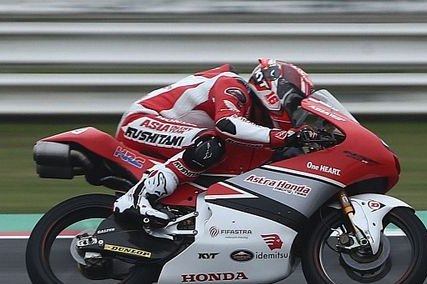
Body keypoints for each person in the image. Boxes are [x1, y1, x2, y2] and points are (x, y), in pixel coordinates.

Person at [113, 59, 318, 224]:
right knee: (209, 145)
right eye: (294, 105)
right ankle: (135, 199)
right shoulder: (232, 85)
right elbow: (227, 124)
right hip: (141, 121)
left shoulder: (254, 112)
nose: (295, 115)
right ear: (275, 94)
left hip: (168, 129)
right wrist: (283, 136)